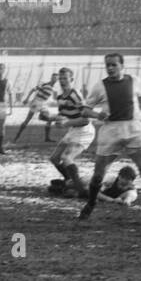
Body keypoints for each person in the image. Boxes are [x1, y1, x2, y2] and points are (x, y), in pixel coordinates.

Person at [77, 53, 141, 225]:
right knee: (98, 176)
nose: (110, 68)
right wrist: (97, 114)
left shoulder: (134, 81)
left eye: (113, 65)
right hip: (111, 132)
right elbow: (85, 110)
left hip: (133, 129)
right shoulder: (100, 86)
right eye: (107, 65)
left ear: (122, 66)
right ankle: (91, 203)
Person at [43, 67, 93, 196]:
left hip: (84, 131)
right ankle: (71, 181)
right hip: (73, 130)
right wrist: (48, 117)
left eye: (65, 78)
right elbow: (63, 115)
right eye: (60, 78)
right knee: (54, 158)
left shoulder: (75, 95)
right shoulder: (60, 97)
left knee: (67, 157)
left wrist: (66, 123)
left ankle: (82, 191)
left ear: (71, 79)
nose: (62, 81)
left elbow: (85, 120)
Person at [13, 72, 59, 143]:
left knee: (49, 119)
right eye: (53, 77)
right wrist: (27, 99)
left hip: (43, 104)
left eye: (56, 78)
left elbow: (49, 98)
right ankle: (16, 137)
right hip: (36, 102)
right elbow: (33, 90)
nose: (54, 79)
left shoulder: (53, 88)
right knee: (27, 120)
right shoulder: (44, 84)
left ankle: (47, 138)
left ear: (57, 80)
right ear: (51, 78)